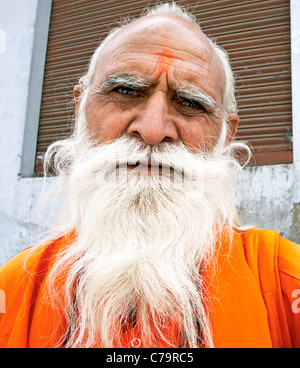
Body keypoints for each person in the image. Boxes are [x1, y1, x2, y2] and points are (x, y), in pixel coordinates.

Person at [0, 2, 299, 348]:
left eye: (190, 102)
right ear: (81, 108)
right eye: (125, 91)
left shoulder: (283, 285)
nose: (154, 130)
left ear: (226, 135)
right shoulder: (14, 292)